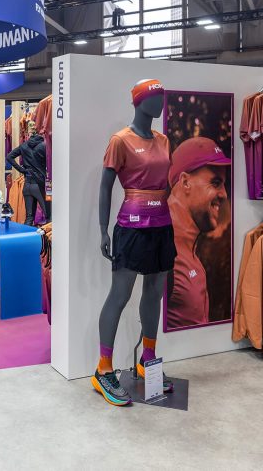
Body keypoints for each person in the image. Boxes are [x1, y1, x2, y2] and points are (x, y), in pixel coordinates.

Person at [93, 80, 174, 407]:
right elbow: (105, 187)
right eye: (156, 97)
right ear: (140, 102)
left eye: (163, 97)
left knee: (154, 292)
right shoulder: (120, 141)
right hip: (131, 228)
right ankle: (103, 369)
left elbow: (166, 183)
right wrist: (103, 230)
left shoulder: (164, 140)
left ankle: (147, 359)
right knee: (120, 295)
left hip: (162, 225)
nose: (161, 103)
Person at [166, 137, 231, 330]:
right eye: (216, 182)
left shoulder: (187, 251)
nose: (224, 194)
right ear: (185, 182)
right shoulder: (166, 250)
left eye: (223, 184)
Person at [6, 121, 49, 225]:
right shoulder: (44, 146)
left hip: (27, 184)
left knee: (29, 217)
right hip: (39, 184)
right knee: (49, 215)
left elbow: (9, 157)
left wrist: (22, 170)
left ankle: (27, 235)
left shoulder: (24, 146)